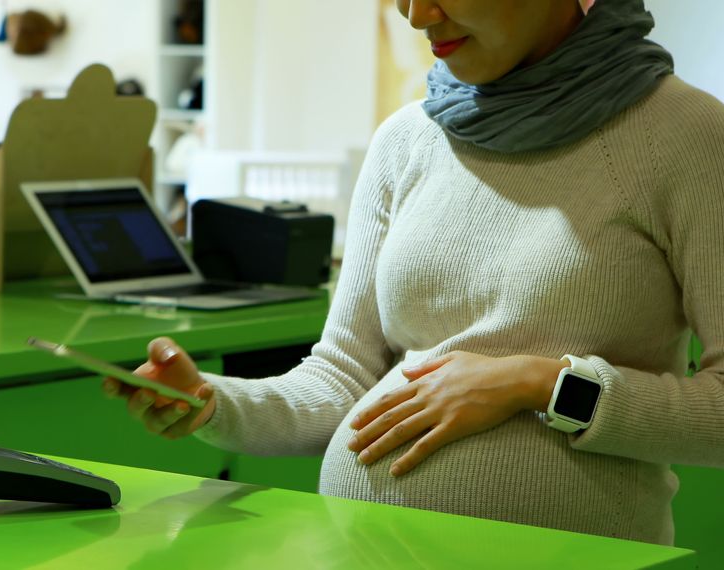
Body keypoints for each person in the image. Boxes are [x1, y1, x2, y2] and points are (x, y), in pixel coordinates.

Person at [103, 0, 724, 545]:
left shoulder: (687, 138)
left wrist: (540, 384)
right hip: (357, 548)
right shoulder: (406, 140)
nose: (416, 14)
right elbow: (343, 376)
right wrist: (213, 403)